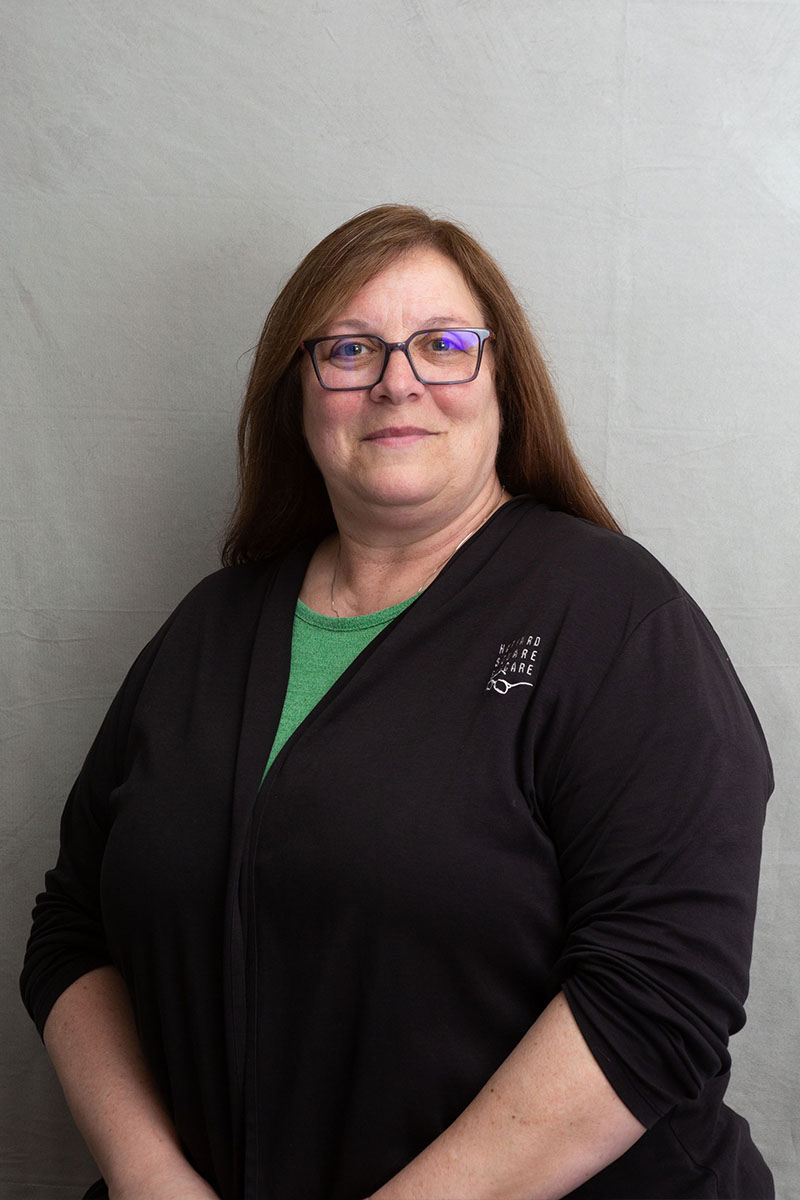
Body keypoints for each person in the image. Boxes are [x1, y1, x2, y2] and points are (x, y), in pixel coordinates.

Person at [21, 203, 774, 1200]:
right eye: (348, 349)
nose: (396, 380)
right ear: (298, 393)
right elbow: (70, 928)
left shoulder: (615, 620)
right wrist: (149, 1176)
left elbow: (659, 992)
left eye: (443, 344)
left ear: (503, 383)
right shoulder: (209, 630)